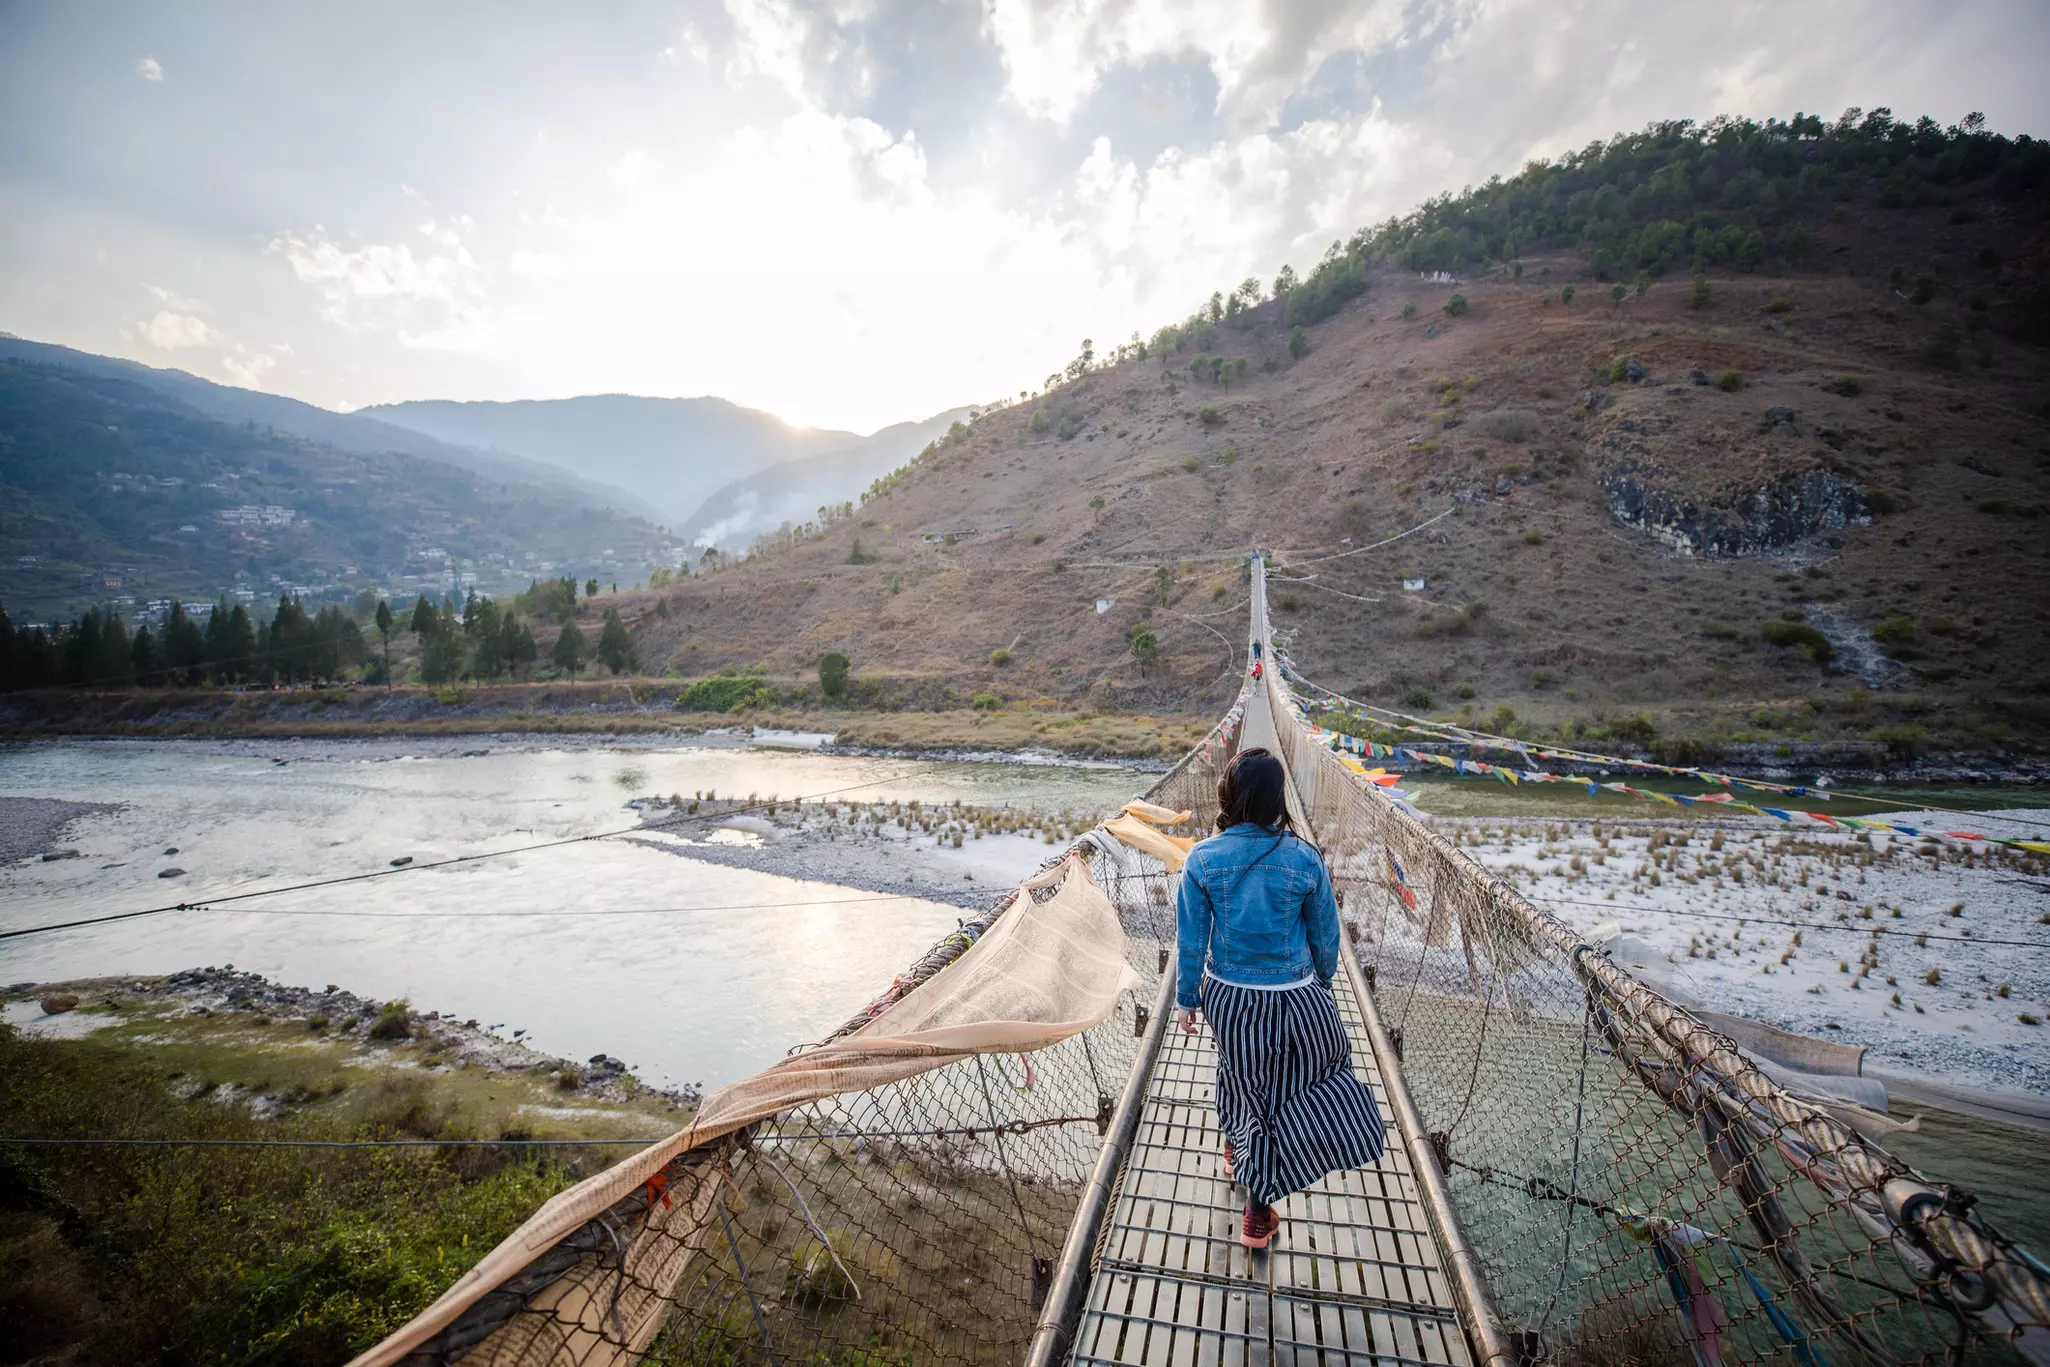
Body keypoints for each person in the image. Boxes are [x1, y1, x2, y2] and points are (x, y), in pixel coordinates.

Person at [1175, 747, 1386, 1248]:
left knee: (1238, 1071)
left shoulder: (1203, 859)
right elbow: (1325, 938)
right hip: (1295, 995)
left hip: (1228, 997)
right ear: (1277, 798)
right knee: (1287, 1093)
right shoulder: (1303, 857)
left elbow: (1191, 939)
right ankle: (1256, 1212)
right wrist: (1322, 984)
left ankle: (1235, 1146)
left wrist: (1188, 998)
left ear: (1227, 796)